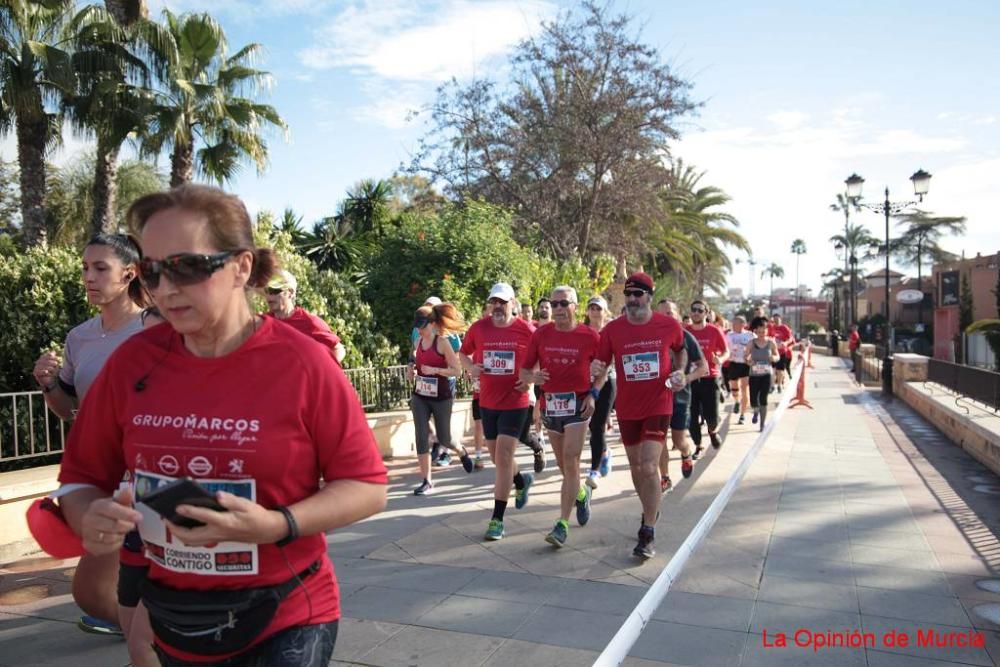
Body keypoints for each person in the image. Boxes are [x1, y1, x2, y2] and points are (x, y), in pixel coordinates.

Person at [56, 184, 387, 666]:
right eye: (152, 271)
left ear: (242, 267)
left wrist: (278, 524)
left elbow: (366, 485)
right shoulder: (133, 364)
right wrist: (89, 516)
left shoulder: (304, 364)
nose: (166, 288)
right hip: (175, 616)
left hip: (287, 613)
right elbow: (81, 478)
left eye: (187, 267)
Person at [31, 233, 148, 636]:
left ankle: (170, 639)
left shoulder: (156, 329)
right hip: (97, 475)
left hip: (144, 474)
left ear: (129, 273)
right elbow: (68, 408)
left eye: (101, 268)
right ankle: (164, 636)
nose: (89, 277)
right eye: (85, 268)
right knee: (97, 590)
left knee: (93, 590)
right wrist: (48, 383)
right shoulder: (79, 337)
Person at [591, 273, 686, 559]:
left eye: (638, 294)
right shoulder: (612, 330)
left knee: (647, 466)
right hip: (628, 407)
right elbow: (602, 362)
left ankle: (648, 529)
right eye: (629, 294)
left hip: (659, 402)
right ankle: (649, 511)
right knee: (635, 467)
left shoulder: (668, 325)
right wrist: (594, 378)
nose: (632, 299)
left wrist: (679, 371)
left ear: (649, 296)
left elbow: (681, 351)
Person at [520, 286, 604, 548]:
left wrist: (593, 394)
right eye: (554, 304)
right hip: (551, 406)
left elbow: (603, 369)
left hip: (578, 406)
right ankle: (580, 494)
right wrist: (533, 378)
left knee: (571, 458)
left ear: (575, 307)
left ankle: (561, 525)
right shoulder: (541, 334)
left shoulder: (590, 336)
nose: (557, 309)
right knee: (564, 466)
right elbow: (523, 372)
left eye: (563, 303)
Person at [460, 282, 536, 541]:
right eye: (494, 302)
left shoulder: (526, 330)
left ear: (513, 304)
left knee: (503, 456)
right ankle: (520, 481)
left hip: (515, 402)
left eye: (503, 303)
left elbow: (541, 359)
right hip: (488, 402)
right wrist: (470, 367)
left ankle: (497, 519)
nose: (498, 307)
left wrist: (530, 379)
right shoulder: (479, 328)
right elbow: (463, 353)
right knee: (497, 458)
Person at [410, 302, 472, 495]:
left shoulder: (443, 342)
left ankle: (461, 451)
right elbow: (416, 363)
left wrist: (437, 370)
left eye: (423, 326)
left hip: (441, 396)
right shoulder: (418, 342)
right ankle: (427, 481)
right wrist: (411, 370)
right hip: (420, 394)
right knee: (421, 435)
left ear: (433, 323)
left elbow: (457, 370)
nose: (419, 330)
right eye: (417, 326)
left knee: (444, 438)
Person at [658, 300, 707, 492]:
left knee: (679, 440)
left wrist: (686, 378)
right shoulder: (651, 337)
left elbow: (703, 367)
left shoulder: (686, 337)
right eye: (662, 314)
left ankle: (686, 454)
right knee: (659, 440)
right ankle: (665, 477)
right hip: (657, 398)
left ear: (677, 315)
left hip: (680, 398)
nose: (666, 317)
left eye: (669, 313)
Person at [264, 269, 346, 364]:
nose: (269, 296)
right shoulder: (262, 323)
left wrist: (319, 373)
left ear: (290, 292)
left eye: (275, 291)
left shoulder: (309, 322)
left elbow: (339, 350)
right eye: (267, 291)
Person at [685, 300, 729, 456]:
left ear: (706, 313)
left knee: (712, 416)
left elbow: (725, 351)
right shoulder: (685, 331)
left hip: (710, 378)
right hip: (690, 379)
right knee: (691, 416)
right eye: (694, 310)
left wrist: (721, 359)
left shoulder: (714, 331)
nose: (696, 312)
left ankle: (712, 431)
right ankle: (698, 445)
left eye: (700, 310)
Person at [584, 296, 616, 489]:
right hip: (585, 383)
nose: (595, 311)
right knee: (591, 426)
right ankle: (604, 452)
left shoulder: (610, 331)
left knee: (598, 426)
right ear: (587, 311)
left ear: (605, 312)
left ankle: (593, 470)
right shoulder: (582, 332)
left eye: (599, 308)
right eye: (592, 308)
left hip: (608, 382)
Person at [747, 316, 780, 431]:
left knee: (763, 399)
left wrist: (774, 358)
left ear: (767, 330)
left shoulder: (771, 342)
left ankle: (762, 423)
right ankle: (755, 410)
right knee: (753, 400)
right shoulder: (751, 343)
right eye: (759, 331)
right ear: (755, 331)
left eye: (763, 331)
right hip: (754, 375)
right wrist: (748, 360)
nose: (761, 334)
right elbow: (745, 355)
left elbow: (777, 356)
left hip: (766, 375)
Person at [726, 316, 754, 425]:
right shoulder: (729, 335)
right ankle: (737, 401)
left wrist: (751, 356)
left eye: (735, 323)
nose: (733, 325)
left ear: (743, 324)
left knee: (744, 389)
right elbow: (723, 347)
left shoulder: (750, 335)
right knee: (734, 387)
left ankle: (742, 415)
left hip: (745, 364)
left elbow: (757, 347)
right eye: (732, 323)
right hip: (733, 363)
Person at [771, 313, 795, 391]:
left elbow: (790, 339)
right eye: (774, 320)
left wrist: (785, 343)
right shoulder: (771, 327)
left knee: (780, 369)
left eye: (777, 320)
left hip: (782, 351)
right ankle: (772, 385)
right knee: (772, 369)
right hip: (773, 352)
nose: (776, 321)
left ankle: (779, 385)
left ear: (780, 319)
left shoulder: (784, 328)